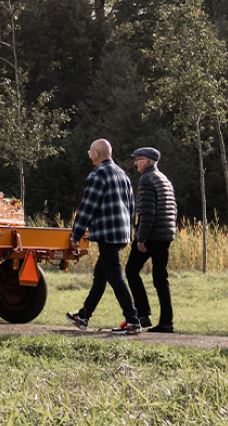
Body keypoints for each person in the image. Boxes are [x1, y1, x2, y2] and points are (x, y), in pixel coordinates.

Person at [66, 139, 142, 335]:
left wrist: (76, 235)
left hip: (107, 233)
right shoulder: (122, 175)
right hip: (120, 232)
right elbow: (131, 206)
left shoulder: (97, 175)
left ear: (97, 153)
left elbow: (87, 208)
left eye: (90, 151)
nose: (89, 154)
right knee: (100, 275)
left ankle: (133, 320)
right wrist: (129, 233)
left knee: (115, 276)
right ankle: (84, 316)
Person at [124, 147, 177, 333]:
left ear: (146, 161)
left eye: (138, 159)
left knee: (131, 270)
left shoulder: (147, 179)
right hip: (166, 235)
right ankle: (166, 322)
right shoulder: (164, 179)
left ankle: (142, 313)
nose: (136, 163)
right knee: (161, 278)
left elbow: (147, 213)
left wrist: (141, 238)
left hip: (152, 235)